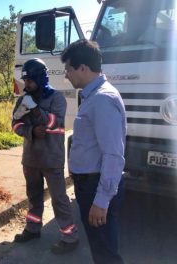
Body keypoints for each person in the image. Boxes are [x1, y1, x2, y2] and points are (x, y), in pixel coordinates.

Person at [61, 39, 126, 264]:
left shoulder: (102, 100)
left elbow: (113, 155)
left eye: (68, 69)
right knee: (100, 248)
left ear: (83, 68)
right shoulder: (92, 96)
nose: (66, 75)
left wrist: (101, 201)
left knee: (105, 251)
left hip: (95, 185)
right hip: (88, 183)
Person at [11, 58, 79, 254]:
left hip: (51, 158)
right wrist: (31, 131)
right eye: (25, 80)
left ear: (40, 79)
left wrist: (34, 109)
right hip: (31, 158)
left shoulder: (57, 98)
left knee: (58, 198)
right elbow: (15, 125)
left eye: (30, 80)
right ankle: (33, 228)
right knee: (33, 196)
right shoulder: (23, 99)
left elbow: (54, 123)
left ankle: (70, 236)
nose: (27, 84)